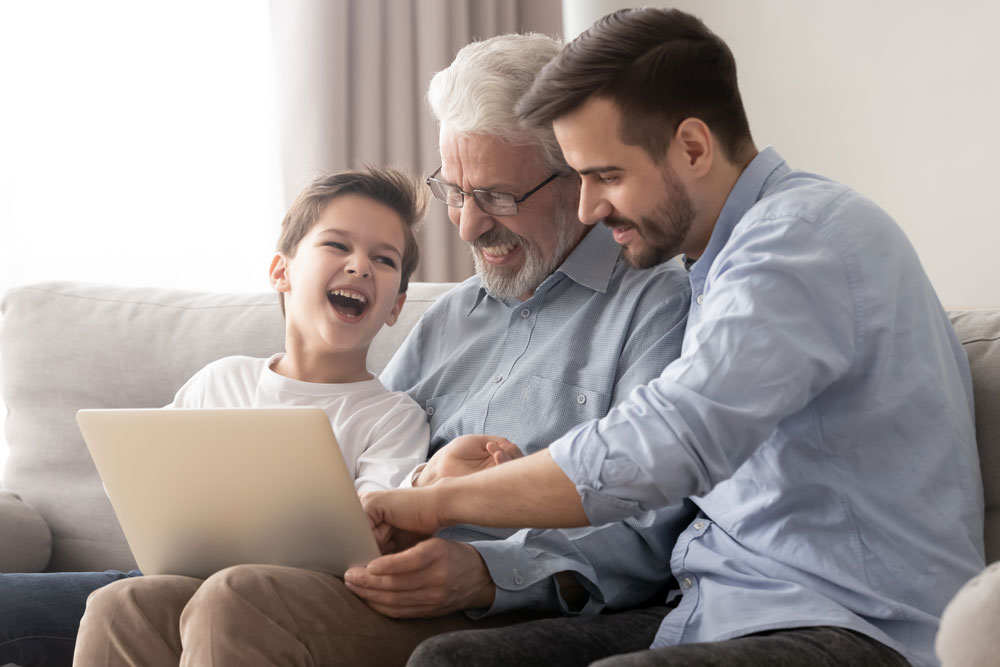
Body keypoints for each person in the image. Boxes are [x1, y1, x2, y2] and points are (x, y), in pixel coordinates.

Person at [365, 9, 986, 667]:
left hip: (852, 624)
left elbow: (662, 443)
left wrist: (431, 501)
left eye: (605, 176)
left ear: (692, 147)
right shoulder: (717, 265)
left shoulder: (800, 240)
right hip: (714, 610)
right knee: (451, 661)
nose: (589, 210)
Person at [68, 33, 694, 666]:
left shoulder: (655, 305)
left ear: (575, 180)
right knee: (126, 607)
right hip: (380, 583)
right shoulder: (451, 317)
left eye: (498, 197)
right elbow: (372, 476)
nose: (469, 226)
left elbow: (649, 529)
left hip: (500, 610)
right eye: (456, 192)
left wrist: (486, 569)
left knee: (241, 598)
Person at [0, 165, 432, 666]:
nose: (360, 266)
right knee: (116, 604)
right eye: (337, 246)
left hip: (298, 599)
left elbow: (374, 519)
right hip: (187, 579)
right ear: (281, 272)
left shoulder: (392, 417)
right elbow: (144, 481)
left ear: (397, 304)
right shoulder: (221, 380)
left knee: (226, 592)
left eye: (383, 259)